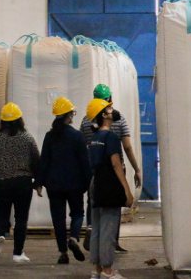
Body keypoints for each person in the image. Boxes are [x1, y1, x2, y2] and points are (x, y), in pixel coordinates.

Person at [81, 83, 141, 254]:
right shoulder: (117, 118)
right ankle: (110, 244)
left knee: (93, 201)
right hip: (113, 169)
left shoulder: (86, 119)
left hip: (93, 167)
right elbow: (127, 147)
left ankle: (92, 227)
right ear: (109, 99)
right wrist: (136, 169)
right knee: (113, 205)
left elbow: (82, 143)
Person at [35, 97, 92, 265]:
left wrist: (38, 183)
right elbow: (84, 162)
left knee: (58, 219)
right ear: (68, 116)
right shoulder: (77, 136)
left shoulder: (49, 136)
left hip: (54, 185)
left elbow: (44, 160)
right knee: (77, 213)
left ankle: (62, 253)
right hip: (74, 184)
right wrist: (89, 183)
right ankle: (74, 237)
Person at [0, 103, 40, 263]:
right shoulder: (27, 138)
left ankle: (1, 234)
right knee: (21, 218)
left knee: (2, 213)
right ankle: (18, 253)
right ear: (20, 119)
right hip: (22, 182)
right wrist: (37, 181)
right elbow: (36, 160)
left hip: (1, 182)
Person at [86, 98, 134, 279]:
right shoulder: (112, 137)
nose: (112, 110)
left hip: (96, 183)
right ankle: (108, 271)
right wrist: (127, 190)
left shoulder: (96, 137)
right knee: (108, 230)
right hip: (109, 184)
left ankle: (97, 270)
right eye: (109, 108)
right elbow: (116, 164)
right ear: (103, 115)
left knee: (97, 228)